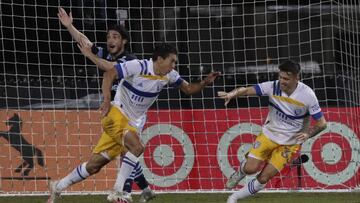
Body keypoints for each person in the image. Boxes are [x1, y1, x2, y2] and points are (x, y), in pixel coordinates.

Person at [50, 40, 220, 203]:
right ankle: (119, 191)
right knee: (137, 147)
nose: (173, 66)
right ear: (160, 59)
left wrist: (205, 82)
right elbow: (110, 73)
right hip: (115, 114)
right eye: (172, 61)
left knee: (94, 166)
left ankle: (58, 186)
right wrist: (107, 99)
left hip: (132, 123)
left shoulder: (170, 75)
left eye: (175, 62)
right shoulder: (139, 66)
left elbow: (188, 89)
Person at [52, 7, 154, 203]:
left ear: (124, 41)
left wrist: (90, 56)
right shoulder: (108, 54)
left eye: (115, 37)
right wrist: (70, 26)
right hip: (115, 113)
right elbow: (86, 43)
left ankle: (122, 194)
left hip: (129, 113)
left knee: (128, 150)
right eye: (108, 37)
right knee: (103, 161)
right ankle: (144, 191)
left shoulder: (129, 60)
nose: (110, 40)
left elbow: (109, 68)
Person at [217, 60, 327, 203]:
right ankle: (240, 172)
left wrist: (308, 134)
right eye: (280, 77)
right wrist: (232, 94)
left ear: (296, 78)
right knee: (250, 169)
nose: (281, 81)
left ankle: (233, 198)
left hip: (290, 143)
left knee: (264, 177)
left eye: (286, 79)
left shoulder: (308, 95)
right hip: (269, 135)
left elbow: (322, 124)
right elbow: (247, 90)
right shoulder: (272, 86)